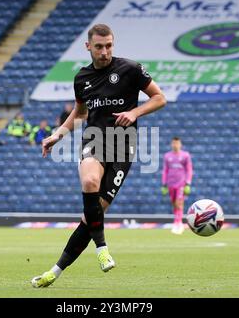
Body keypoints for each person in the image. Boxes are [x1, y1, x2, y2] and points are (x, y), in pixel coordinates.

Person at [31, 24, 166, 288]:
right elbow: (80, 114)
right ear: (88, 47)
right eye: (99, 47)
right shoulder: (82, 78)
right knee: (90, 182)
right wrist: (58, 134)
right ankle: (102, 248)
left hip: (124, 145)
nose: (104, 52)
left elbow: (160, 98)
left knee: (89, 218)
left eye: (109, 46)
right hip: (94, 139)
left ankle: (54, 272)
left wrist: (135, 113)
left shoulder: (130, 69)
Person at [161, 137, 193, 235]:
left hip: (181, 183)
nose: (175, 145)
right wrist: (164, 184)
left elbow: (189, 169)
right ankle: (178, 221)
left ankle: (178, 223)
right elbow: (165, 170)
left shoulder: (185, 155)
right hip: (171, 183)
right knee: (174, 203)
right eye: (174, 143)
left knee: (179, 202)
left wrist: (188, 183)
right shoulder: (167, 156)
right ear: (171, 144)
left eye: (177, 143)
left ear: (180, 144)